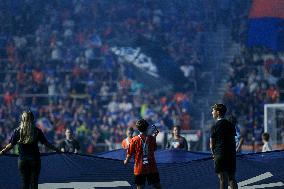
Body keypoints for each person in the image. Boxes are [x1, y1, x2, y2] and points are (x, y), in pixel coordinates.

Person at [0, 111, 60, 189]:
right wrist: (57, 149)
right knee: (34, 183)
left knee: (25, 183)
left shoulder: (17, 131)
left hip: (22, 160)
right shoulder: (37, 131)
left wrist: (2, 152)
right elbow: (46, 144)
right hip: (35, 160)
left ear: (22, 119)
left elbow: (11, 145)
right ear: (32, 119)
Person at [124, 119, 162, 189]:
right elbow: (154, 149)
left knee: (140, 187)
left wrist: (125, 162)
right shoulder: (151, 138)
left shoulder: (134, 139)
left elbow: (129, 154)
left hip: (139, 168)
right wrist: (154, 137)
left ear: (138, 129)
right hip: (151, 167)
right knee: (157, 185)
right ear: (147, 128)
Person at [210, 104, 238, 189]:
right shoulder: (231, 125)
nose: (212, 112)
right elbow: (234, 140)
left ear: (218, 112)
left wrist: (213, 154)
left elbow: (212, 144)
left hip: (220, 154)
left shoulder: (215, 126)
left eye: (213, 111)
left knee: (222, 179)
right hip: (231, 155)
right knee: (232, 178)